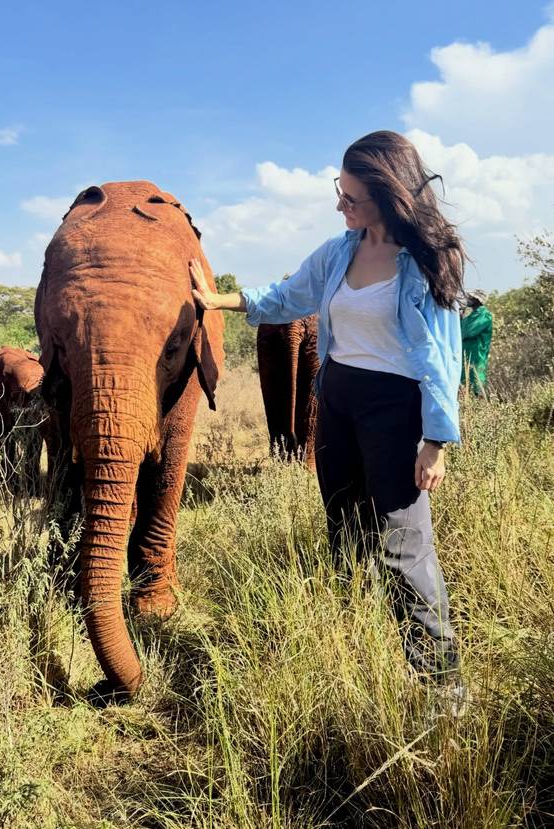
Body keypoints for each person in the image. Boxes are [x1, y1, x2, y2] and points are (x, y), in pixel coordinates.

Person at [190, 130, 464, 686]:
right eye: (337, 193)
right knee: (344, 529)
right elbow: (288, 296)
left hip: (396, 410)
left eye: (351, 198)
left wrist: (435, 441)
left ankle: (442, 686)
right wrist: (221, 299)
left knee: (403, 549)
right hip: (336, 401)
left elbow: (444, 360)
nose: (341, 205)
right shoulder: (340, 250)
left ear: (390, 195)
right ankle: (355, 651)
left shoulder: (426, 261)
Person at [460, 289, 493, 395]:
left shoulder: (485, 315)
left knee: (477, 387)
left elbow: (468, 332)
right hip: (466, 358)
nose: (468, 299)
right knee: (465, 388)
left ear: (477, 300)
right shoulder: (471, 316)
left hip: (477, 358)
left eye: (471, 298)